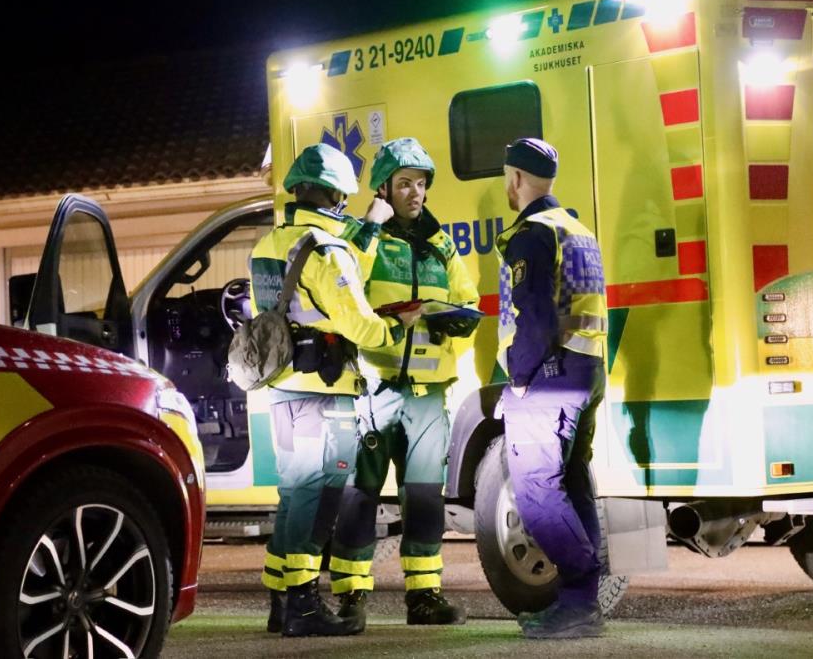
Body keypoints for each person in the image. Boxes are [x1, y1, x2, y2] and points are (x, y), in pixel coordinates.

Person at [250, 143, 421, 637]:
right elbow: (358, 322)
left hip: (283, 387)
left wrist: (366, 232)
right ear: (336, 196)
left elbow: (327, 288)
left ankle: (282, 601)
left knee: (293, 495)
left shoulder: (270, 245)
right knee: (318, 496)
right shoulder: (326, 250)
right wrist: (398, 328)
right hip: (323, 392)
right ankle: (304, 607)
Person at [328, 138, 480, 630]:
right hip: (375, 389)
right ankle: (351, 597)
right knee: (360, 495)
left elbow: (468, 297)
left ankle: (424, 597)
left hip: (428, 394)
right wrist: (370, 225)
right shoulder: (362, 237)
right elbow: (344, 283)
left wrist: (455, 317)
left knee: (425, 497)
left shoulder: (441, 244)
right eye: (404, 184)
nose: (416, 193)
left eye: (421, 183)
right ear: (383, 189)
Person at [494, 138, 608, 639]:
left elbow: (534, 316)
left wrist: (519, 380)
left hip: (549, 377)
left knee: (536, 490)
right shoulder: (577, 228)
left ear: (516, 178)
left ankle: (579, 597)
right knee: (573, 482)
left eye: (507, 178)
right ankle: (583, 602)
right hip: (587, 369)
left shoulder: (533, 233)